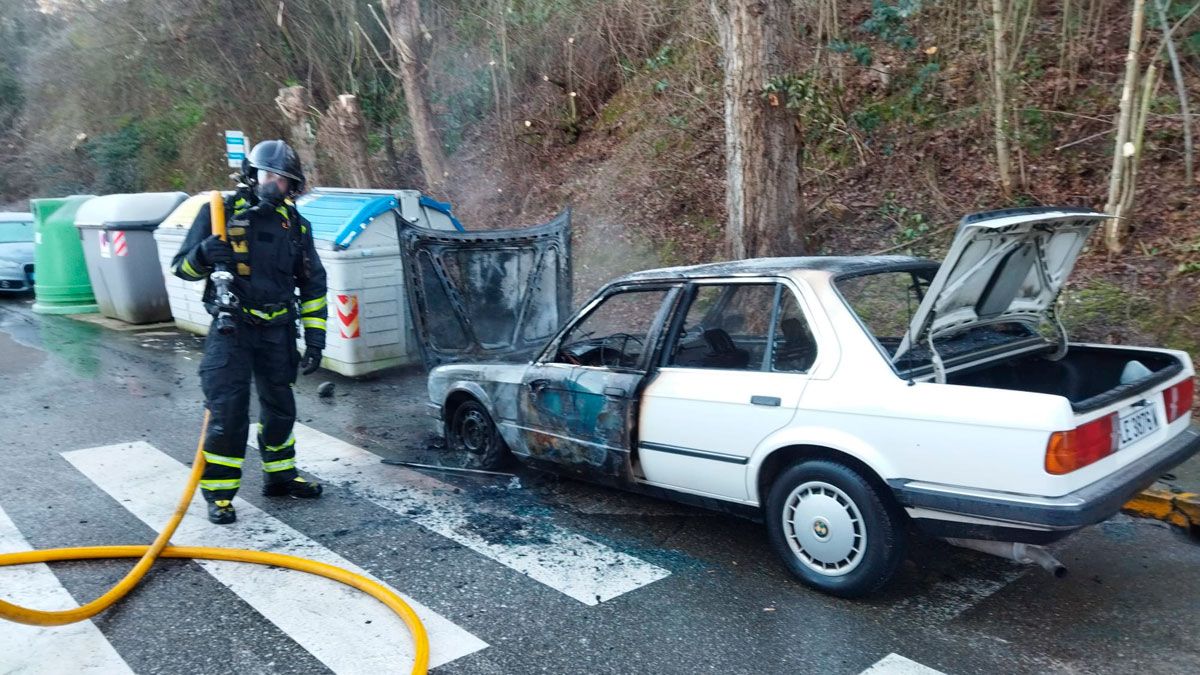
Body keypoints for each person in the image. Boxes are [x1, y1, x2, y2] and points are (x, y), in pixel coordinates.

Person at [172, 140, 328, 524]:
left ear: (294, 187)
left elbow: (312, 284)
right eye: (269, 175)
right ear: (251, 174)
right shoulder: (219, 214)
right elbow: (182, 268)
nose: (275, 185)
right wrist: (205, 253)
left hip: (277, 330)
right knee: (229, 411)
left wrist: (315, 339)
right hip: (232, 330)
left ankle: (281, 476)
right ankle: (221, 494)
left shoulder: (296, 227)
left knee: (280, 409)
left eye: (285, 180)